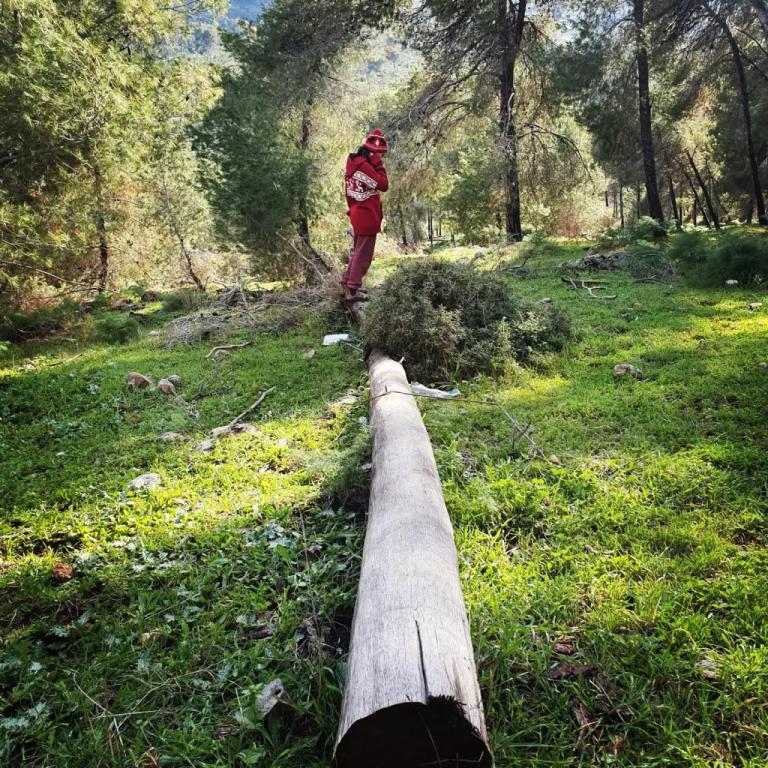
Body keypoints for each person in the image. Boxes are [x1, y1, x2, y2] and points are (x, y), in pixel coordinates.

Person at [343, 128, 389, 302]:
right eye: (380, 155)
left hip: (357, 213)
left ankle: (347, 283)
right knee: (364, 254)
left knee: (357, 250)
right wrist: (377, 164)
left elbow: (348, 193)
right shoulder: (365, 167)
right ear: (372, 154)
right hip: (367, 215)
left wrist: (352, 210)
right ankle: (354, 289)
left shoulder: (352, 165)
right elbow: (384, 185)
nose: (381, 159)